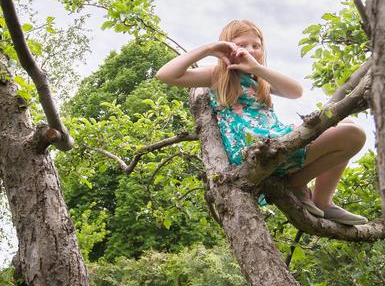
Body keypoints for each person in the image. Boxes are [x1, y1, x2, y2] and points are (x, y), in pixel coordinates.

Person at [156, 19, 368, 225]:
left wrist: (257, 68)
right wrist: (210, 48)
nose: (249, 50)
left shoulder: (261, 79)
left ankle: (322, 199)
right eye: (241, 45)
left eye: (256, 46)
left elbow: (296, 92)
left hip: (275, 138)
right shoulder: (218, 75)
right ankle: (297, 184)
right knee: (352, 134)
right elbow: (165, 75)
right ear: (227, 49)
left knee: (347, 125)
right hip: (253, 147)